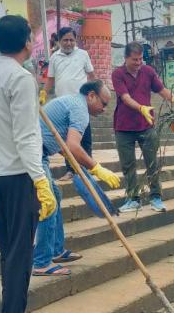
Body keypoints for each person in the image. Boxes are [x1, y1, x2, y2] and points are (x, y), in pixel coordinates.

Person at [0, 14, 56, 313]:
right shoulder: (21, 78)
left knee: (10, 248)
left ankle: (14, 312)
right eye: (31, 39)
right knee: (21, 250)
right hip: (20, 174)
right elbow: (26, 137)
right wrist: (41, 180)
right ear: (26, 43)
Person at [33, 80, 121, 276]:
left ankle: (56, 250)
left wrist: (79, 166)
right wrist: (97, 168)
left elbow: (62, 144)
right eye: (103, 103)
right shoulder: (80, 109)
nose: (104, 109)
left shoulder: (73, 102)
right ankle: (41, 262)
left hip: (39, 150)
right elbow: (73, 146)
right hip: (34, 152)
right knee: (49, 202)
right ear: (91, 96)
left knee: (55, 196)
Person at [112, 41, 174, 213]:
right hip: (123, 126)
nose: (138, 63)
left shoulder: (148, 71)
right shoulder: (118, 74)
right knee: (128, 165)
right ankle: (133, 198)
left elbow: (162, 90)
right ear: (126, 58)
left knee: (152, 163)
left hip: (146, 125)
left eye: (140, 59)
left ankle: (156, 197)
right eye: (134, 59)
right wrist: (141, 108)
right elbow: (125, 97)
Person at [41, 27, 96, 181]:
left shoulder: (83, 54)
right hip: (63, 107)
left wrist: (95, 94)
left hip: (81, 104)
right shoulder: (54, 57)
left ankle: (88, 168)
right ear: (59, 41)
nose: (69, 43)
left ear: (75, 40)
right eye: (65, 40)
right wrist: (44, 93)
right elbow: (50, 79)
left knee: (85, 138)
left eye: (72, 40)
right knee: (66, 141)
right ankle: (71, 170)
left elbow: (91, 75)